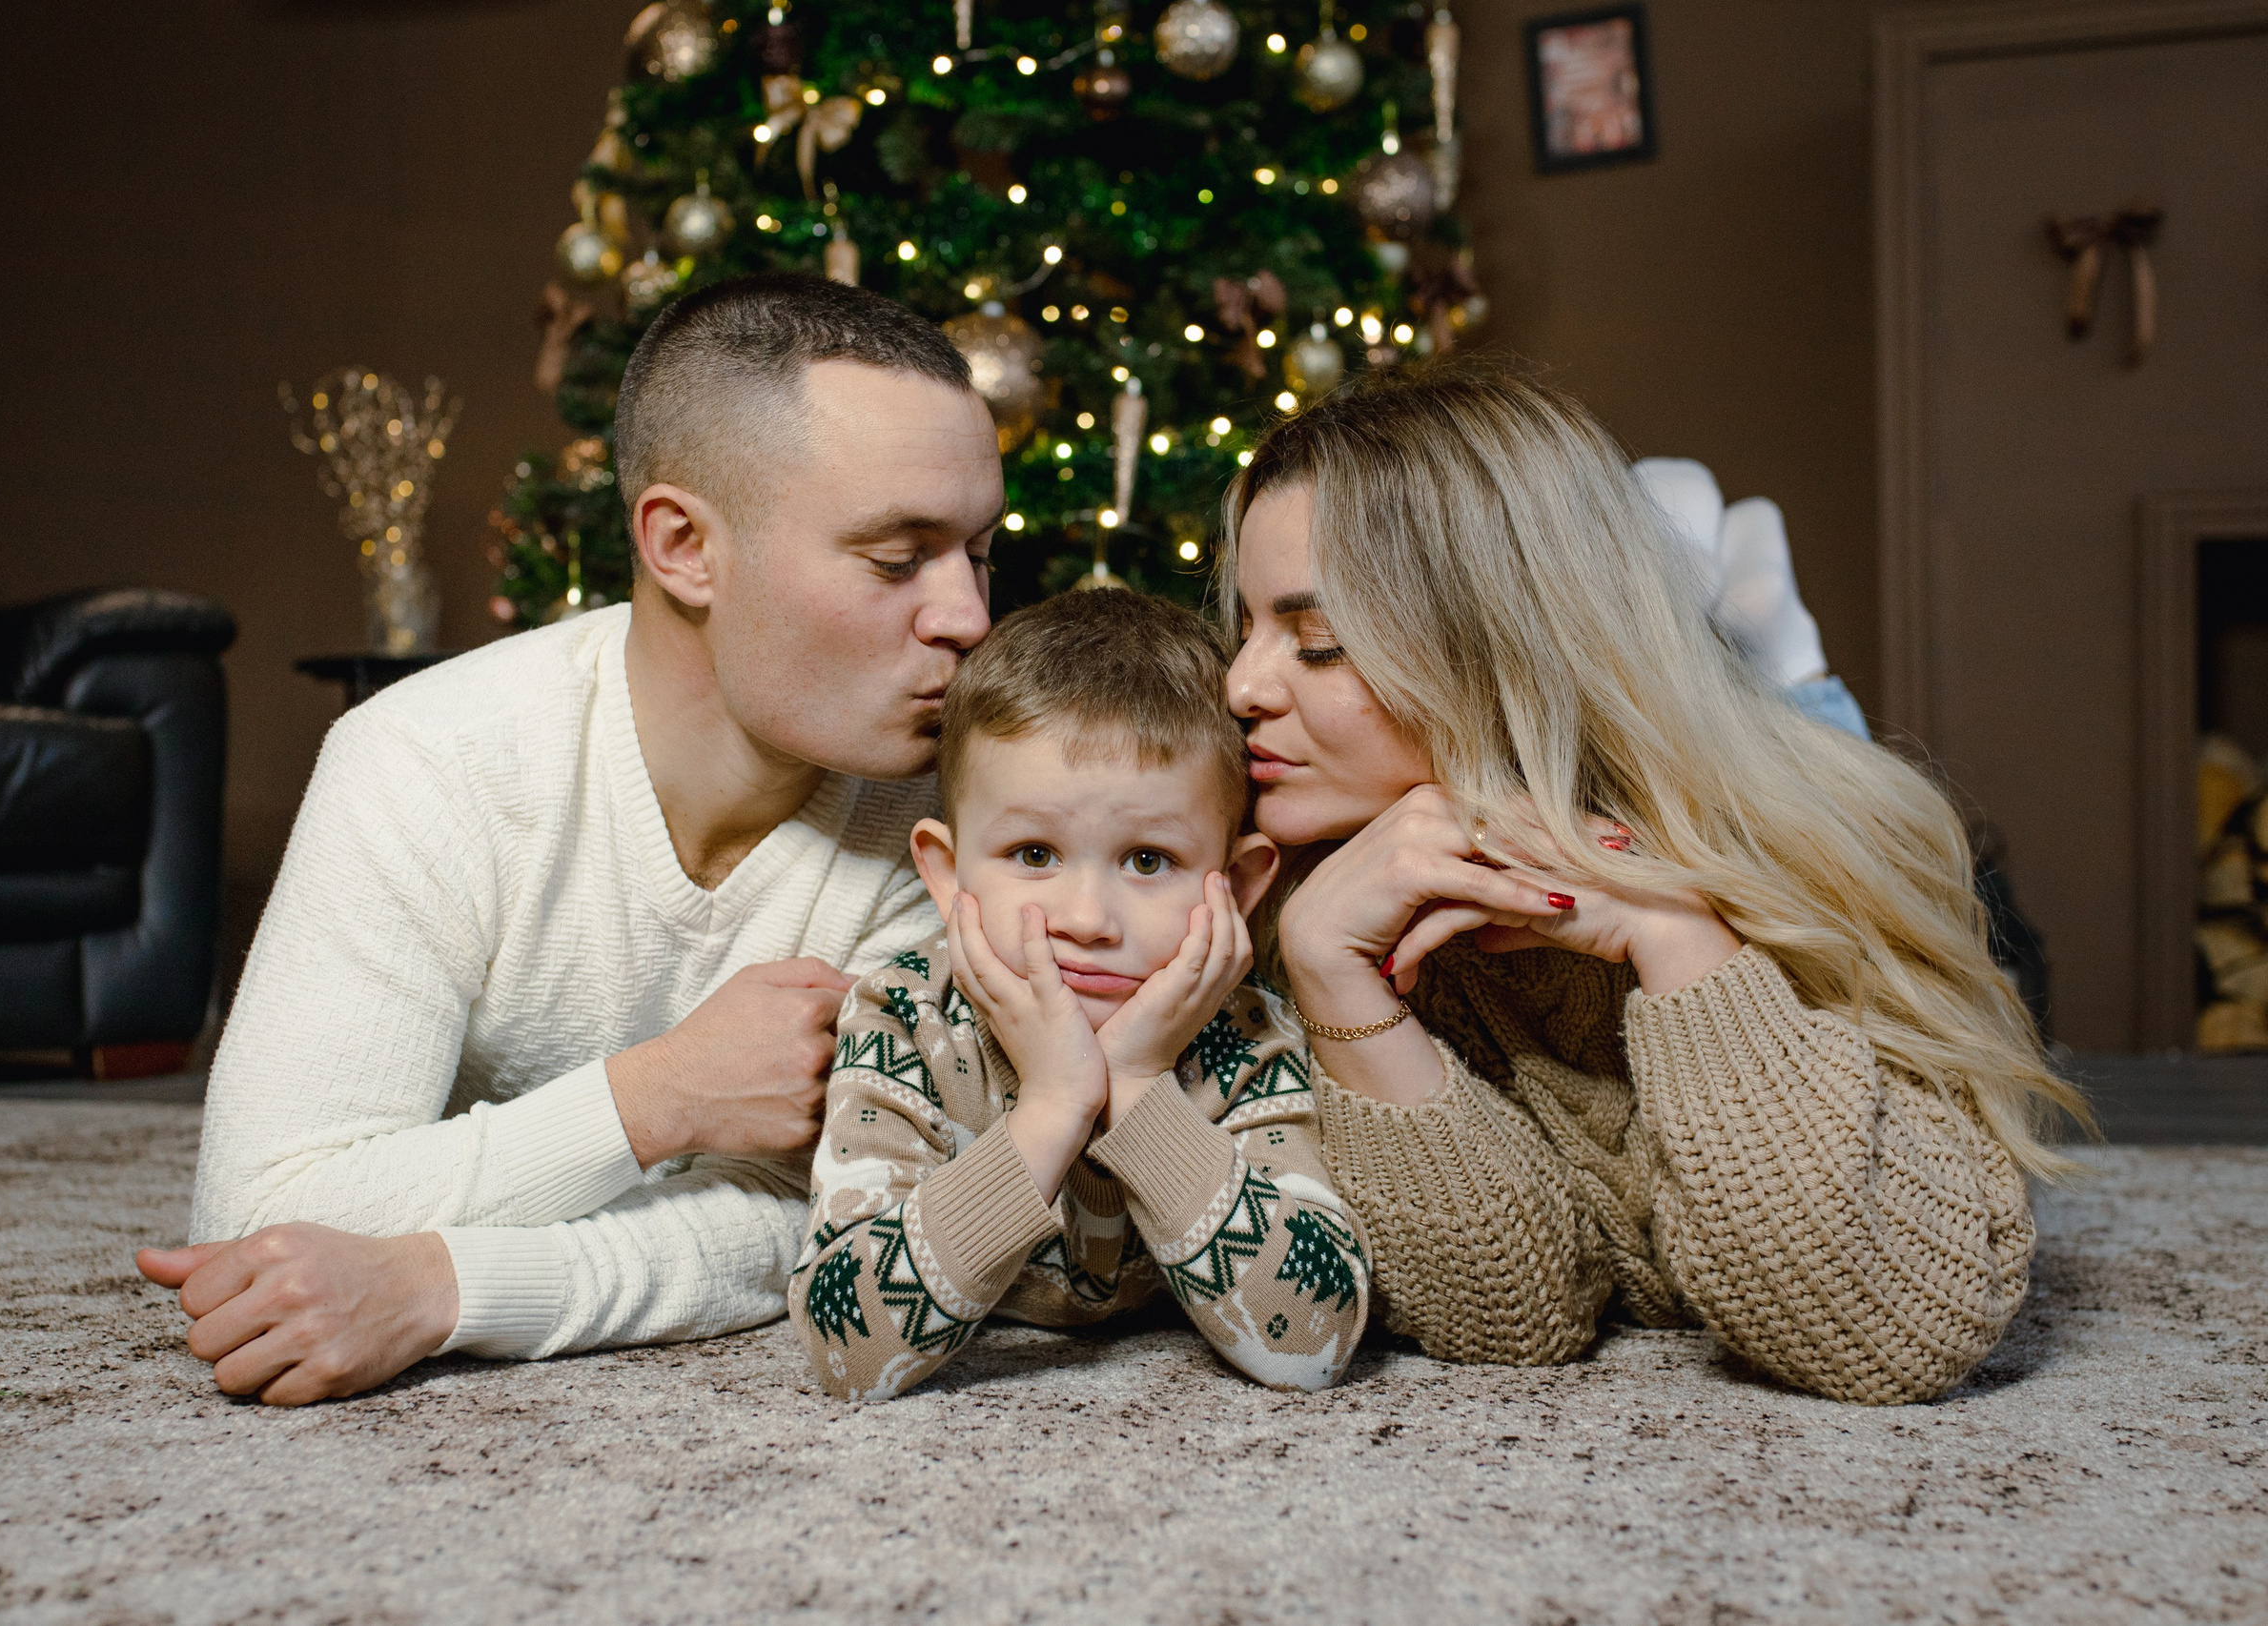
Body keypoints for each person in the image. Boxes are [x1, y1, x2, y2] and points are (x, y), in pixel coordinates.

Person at [133, 274, 1005, 1406]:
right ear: (683, 544)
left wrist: (449, 1286)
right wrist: (658, 1098)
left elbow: (827, 1224)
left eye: (982, 552)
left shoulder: (951, 813)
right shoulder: (427, 759)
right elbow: (260, 1222)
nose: (971, 617)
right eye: (898, 559)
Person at [1222, 363, 2088, 1406]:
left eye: (1314, 642)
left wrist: (1673, 931)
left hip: (1861, 846)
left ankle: (1771, 643)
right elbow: (1510, 1314)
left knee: (1855, 767)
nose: (1239, 685)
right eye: (1247, 627)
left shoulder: (1810, 864)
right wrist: (1333, 975)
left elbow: (1890, 1328)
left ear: (1498, 649)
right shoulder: (1277, 881)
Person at [788, 590, 1369, 1401]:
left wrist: (1135, 1083)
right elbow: (841, 1351)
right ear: (947, 874)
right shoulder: (905, 1018)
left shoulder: (1248, 1033)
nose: (1088, 920)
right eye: (1033, 853)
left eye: (1148, 860)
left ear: (1236, 887)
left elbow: (1316, 1340)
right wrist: (1054, 1104)